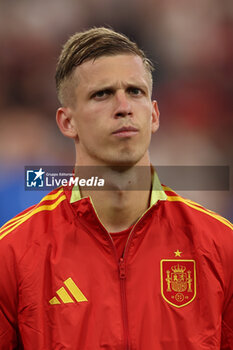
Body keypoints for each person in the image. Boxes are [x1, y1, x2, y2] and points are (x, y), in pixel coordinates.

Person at [0, 27, 232, 350]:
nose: (124, 106)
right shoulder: (12, 255)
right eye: (102, 94)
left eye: (135, 91)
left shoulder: (222, 248)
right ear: (67, 122)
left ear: (153, 115)